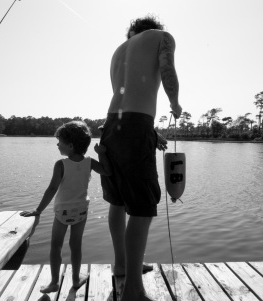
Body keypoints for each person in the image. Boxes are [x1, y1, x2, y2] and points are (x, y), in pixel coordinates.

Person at [100, 15, 182, 301]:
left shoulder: (119, 51)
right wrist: (174, 102)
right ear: (153, 27)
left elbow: (127, 96)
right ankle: (133, 290)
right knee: (143, 207)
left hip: (111, 126)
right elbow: (166, 69)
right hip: (135, 126)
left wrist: (151, 132)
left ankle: (122, 265)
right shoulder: (161, 37)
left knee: (119, 199)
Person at [20, 121, 112, 293]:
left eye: (60, 142)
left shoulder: (61, 164)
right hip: (81, 210)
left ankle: (54, 282)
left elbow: (52, 189)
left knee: (56, 245)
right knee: (75, 245)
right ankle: (76, 280)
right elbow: (108, 171)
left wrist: (38, 210)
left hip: (62, 211)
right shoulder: (90, 162)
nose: (57, 144)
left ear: (70, 145)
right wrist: (101, 154)